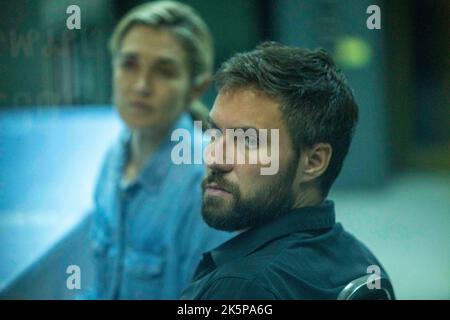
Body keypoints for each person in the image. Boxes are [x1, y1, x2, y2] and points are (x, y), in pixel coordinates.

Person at [181, 42, 392, 299]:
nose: (214, 157)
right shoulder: (365, 267)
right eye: (214, 133)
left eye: (248, 140)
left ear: (313, 162)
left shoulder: (241, 287)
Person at [88, 1, 230, 299]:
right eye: (129, 64)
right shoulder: (114, 156)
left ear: (195, 89)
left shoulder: (207, 183)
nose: (140, 85)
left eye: (164, 71)